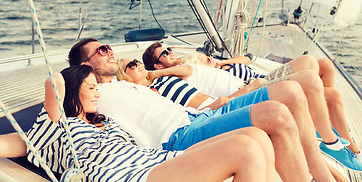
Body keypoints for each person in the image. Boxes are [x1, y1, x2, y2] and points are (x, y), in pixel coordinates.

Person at [69, 38, 341, 181]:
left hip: (198, 117)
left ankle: (324, 166)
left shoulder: (128, 85)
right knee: (276, 114)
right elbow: (59, 106)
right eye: (101, 50)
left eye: (107, 47)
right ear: (83, 67)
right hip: (179, 136)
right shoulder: (91, 95)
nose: (110, 51)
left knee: (291, 92)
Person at [0, 65, 276, 182]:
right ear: (73, 90)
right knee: (244, 149)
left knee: (256, 136)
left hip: (153, 161)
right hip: (128, 177)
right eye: (91, 87)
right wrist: (74, 78)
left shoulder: (104, 121)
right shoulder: (52, 128)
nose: (98, 93)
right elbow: (54, 82)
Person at [142, 42, 362, 172]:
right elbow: (210, 102)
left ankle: (338, 139)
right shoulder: (181, 72)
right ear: (158, 64)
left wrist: (219, 63)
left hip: (257, 81)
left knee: (325, 73)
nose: (171, 52)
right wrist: (153, 74)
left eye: (170, 49)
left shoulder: (202, 64)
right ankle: (332, 141)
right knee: (314, 71)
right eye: (165, 53)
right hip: (252, 88)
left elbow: (246, 58)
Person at [182, 50, 362, 161]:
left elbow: (247, 58)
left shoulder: (226, 66)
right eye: (205, 59)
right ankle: (333, 136)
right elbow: (221, 102)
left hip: (261, 78)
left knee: (326, 66)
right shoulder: (206, 75)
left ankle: (325, 126)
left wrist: (223, 62)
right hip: (251, 89)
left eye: (209, 57)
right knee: (311, 67)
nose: (211, 59)